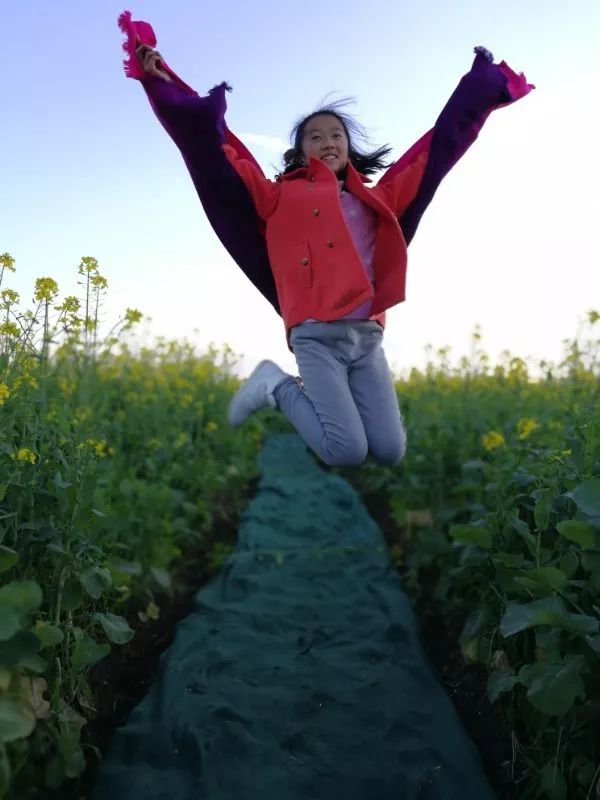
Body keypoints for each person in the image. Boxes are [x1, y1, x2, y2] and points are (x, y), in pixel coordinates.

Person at [120, 11, 533, 467]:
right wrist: (163, 81)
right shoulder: (277, 197)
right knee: (346, 452)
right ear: (300, 152)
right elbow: (220, 152)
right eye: (315, 137)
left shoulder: (379, 199)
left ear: (348, 148)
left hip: (366, 338)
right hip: (315, 335)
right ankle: (273, 383)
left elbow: (435, 152)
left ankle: (323, 406)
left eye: (336, 134)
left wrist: (482, 95)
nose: (328, 141)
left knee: (391, 451)